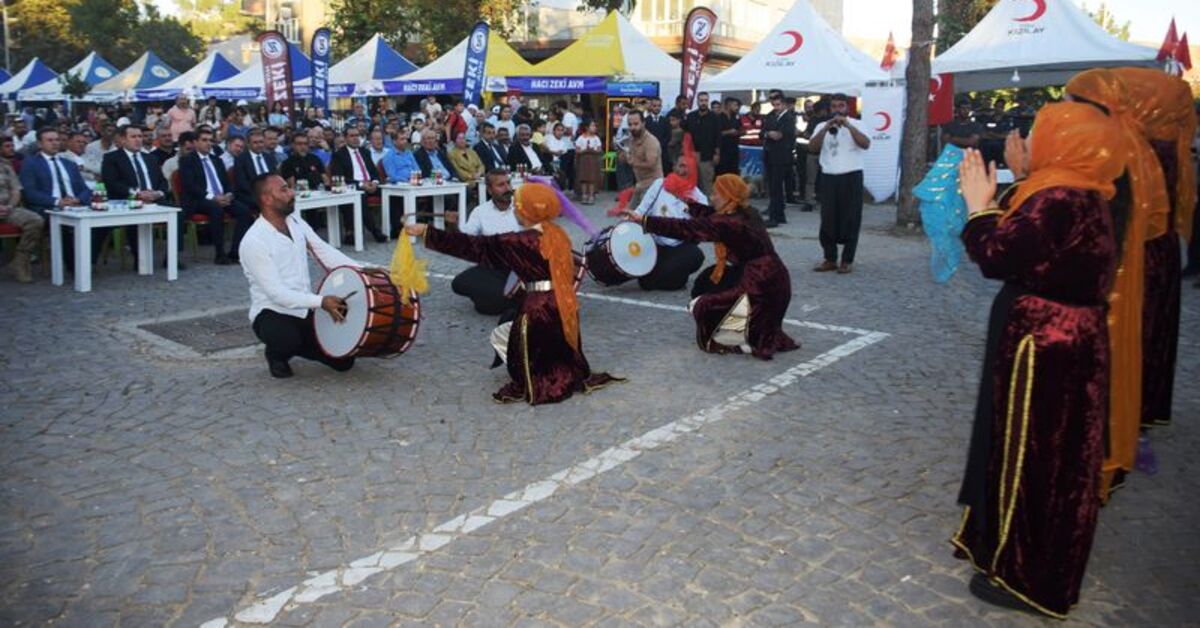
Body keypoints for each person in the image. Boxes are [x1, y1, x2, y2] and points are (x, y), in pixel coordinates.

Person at [951, 102, 1126, 619]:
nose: (1020, 141)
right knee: (1035, 451)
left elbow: (1000, 255)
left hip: (1047, 344)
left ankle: (1028, 573)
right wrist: (1020, 178)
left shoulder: (1059, 196)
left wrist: (978, 208)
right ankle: (1003, 545)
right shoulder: (1073, 188)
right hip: (1060, 337)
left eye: (1032, 134)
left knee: (1038, 456)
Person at [406, 183, 622, 405]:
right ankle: (563, 372)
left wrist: (427, 232)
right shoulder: (557, 234)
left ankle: (543, 378)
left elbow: (474, 246)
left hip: (537, 306)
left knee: (528, 344)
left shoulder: (520, 241)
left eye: (518, 206)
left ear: (528, 210)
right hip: (561, 302)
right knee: (556, 343)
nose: (515, 210)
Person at [625, 173, 798, 359]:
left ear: (728, 197)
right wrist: (686, 201)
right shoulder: (746, 211)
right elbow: (709, 215)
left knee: (705, 304)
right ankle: (738, 327)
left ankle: (740, 332)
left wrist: (645, 221)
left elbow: (687, 229)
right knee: (705, 282)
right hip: (775, 277)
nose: (712, 197)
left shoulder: (729, 223)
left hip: (762, 283)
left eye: (716, 193)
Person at [1113, 69, 1197, 432]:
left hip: (1131, 249)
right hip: (1160, 250)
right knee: (1151, 333)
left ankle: (1118, 414)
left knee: (1127, 330)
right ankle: (1141, 415)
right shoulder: (1172, 141)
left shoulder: (1132, 144)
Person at [239, 173, 362, 379]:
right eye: (284, 189)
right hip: (271, 312)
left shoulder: (296, 222)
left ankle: (304, 342)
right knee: (287, 340)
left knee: (344, 362)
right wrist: (322, 302)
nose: (292, 193)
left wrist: (364, 272)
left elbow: (325, 253)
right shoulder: (254, 241)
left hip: (304, 308)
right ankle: (276, 355)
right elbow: (277, 294)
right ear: (267, 199)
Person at [627, 136, 707, 291]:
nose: (684, 171)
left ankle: (671, 275)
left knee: (696, 255)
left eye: (688, 167)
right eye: (681, 166)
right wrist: (630, 220)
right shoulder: (659, 185)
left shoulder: (700, 198)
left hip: (678, 247)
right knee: (645, 282)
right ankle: (671, 277)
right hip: (654, 244)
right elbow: (641, 211)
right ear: (674, 167)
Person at [808, 93, 870, 273]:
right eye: (834, 106)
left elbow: (865, 144)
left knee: (851, 218)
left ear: (847, 108)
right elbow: (812, 148)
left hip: (851, 176)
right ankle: (830, 258)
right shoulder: (822, 125)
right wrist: (825, 128)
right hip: (828, 176)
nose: (837, 110)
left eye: (841, 106)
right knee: (827, 219)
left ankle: (847, 260)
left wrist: (848, 126)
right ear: (830, 109)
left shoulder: (857, 124)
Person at [449, 170, 523, 315]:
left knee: (487, 306)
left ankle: (507, 297)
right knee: (458, 283)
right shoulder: (480, 211)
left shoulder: (524, 207)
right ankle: (508, 297)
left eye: (508, 183)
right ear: (489, 190)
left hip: (521, 268)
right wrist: (453, 226)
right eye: (500, 185)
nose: (507, 188)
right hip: (493, 267)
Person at [179, 128, 251, 264]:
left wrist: (229, 195)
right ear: (195, 142)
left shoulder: (216, 160)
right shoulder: (187, 160)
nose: (208, 143)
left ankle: (235, 252)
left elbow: (226, 182)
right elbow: (190, 186)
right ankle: (220, 253)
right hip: (199, 200)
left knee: (244, 211)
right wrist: (213, 197)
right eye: (204, 140)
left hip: (222, 197)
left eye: (210, 140)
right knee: (215, 209)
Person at [328, 126, 387, 243]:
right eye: (352, 136)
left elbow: (374, 172)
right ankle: (374, 230)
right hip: (353, 186)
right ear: (345, 138)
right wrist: (361, 184)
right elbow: (340, 177)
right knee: (360, 196)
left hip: (371, 184)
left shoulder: (365, 152)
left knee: (392, 193)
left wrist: (374, 183)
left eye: (357, 136)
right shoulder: (339, 155)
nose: (356, 139)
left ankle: (395, 227)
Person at [0, 153, 43, 283]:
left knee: (35, 220)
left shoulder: (5, 165)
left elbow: (15, 190)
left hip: (7, 209)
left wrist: (10, 206)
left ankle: (21, 259)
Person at [762, 94, 797, 228]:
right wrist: (768, 133)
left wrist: (770, 133)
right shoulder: (771, 116)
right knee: (773, 186)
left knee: (777, 186)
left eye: (778, 105)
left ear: (783, 104)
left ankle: (775, 217)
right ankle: (778, 214)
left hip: (782, 156)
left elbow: (779, 135)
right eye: (774, 105)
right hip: (770, 154)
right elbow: (763, 132)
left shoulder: (788, 118)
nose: (776, 108)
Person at [622, 111, 663, 207]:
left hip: (653, 186)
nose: (632, 127)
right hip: (640, 185)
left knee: (642, 217)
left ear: (643, 123)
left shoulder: (651, 141)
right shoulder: (632, 139)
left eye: (636, 124)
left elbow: (651, 164)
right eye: (630, 124)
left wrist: (632, 163)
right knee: (628, 216)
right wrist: (624, 156)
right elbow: (631, 156)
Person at [233, 129, 278, 215]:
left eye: (261, 142)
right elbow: (242, 183)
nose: (259, 145)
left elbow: (275, 177)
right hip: (250, 194)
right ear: (248, 144)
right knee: (267, 203)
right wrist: (260, 193)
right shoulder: (241, 159)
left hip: (270, 192)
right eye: (255, 142)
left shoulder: (269, 157)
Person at [684, 92, 721, 194]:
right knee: (691, 185)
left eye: (705, 100)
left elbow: (717, 137)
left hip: (707, 156)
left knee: (706, 186)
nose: (703, 103)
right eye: (701, 100)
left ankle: (707, 208)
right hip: (692, 155)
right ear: (697, 101)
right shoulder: (691, 117)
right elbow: (685, 135)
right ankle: (693, 208)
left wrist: (717, 154)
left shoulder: (714, 118)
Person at [574, 121, 603, 205]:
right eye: (592, 126)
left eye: (595, 126)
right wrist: (584, 150)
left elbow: (599, 149)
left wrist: (592, 150)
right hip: (583, 160)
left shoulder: (596, 138)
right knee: (584, 178)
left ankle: (591, 195)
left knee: (592, 178)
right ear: (587, 127)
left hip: (593, 160)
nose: (595, 127)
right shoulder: (581, 138)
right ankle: (584, 195)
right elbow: (577, 150)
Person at [449, 132, 484, 197]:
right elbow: (457, 170)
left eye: (464, 138)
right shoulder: (452, 154)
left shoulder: (472, 151)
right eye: (459, 138)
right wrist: (471, 176)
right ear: (455, 141)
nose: (462, 140)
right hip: (465, 181)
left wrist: (479, 173)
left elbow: (481, 165)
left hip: (478, 178)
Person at [716, 97, 742, 178]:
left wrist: (740, 132)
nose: (737, 108)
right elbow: (716, 133)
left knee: (733, 174)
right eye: (735, 105)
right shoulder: (719, 117)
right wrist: (728, 132)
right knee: (722, 173)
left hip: (734, 150)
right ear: (728, 105)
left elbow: (739, 129)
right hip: (723, 150)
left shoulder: (736, 118)